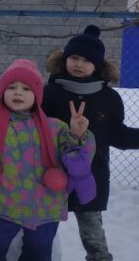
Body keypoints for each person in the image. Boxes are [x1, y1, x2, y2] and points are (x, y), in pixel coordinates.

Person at [0, 59, 96, 261]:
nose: (18, 92)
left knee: (38, 253)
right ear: (2, 92)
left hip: (45, 209)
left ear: (37, 95)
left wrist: (79, 135)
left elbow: (79, 158)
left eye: (26, 88)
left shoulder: (56, 128)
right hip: (3, 206)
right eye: (11, 87)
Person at [43, 25, 139, 261]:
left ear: (97, 66)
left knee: (93, 235)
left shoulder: (110, 98)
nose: (79, 64)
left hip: (91, 178)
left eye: (86, 60)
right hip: (52, 176)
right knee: (43, 231)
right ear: (64, 59)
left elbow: (116, 134)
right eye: (74, 57)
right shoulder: (48, 93)